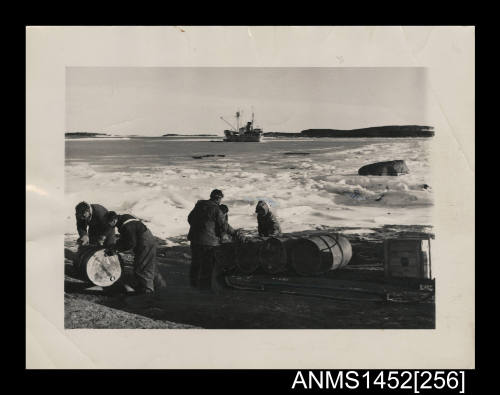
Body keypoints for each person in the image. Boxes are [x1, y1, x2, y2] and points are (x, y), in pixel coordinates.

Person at [187, 189, 242, 290]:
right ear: (219, 198)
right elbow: (223, 225)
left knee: (195, 262)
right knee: (207, 265)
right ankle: (205, 288)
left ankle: (193, 284)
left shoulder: (199, 205)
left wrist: (198, 229)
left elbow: (190, 218)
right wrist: (235, 233)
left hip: (194, 239)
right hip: (208, 242)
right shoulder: (216, 209)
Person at [104, 211, 158, 294]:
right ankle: (144, 287)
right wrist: (116, 246)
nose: (108, 226)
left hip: (145, 242)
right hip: (144, 240)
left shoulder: (126, 225)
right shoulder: (123, 218)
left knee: (143, 266)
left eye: (109, 223)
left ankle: (148, 292)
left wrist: (116, 249)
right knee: (140, 264)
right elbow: (126, 237)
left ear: (114, 220)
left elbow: (130, 243)